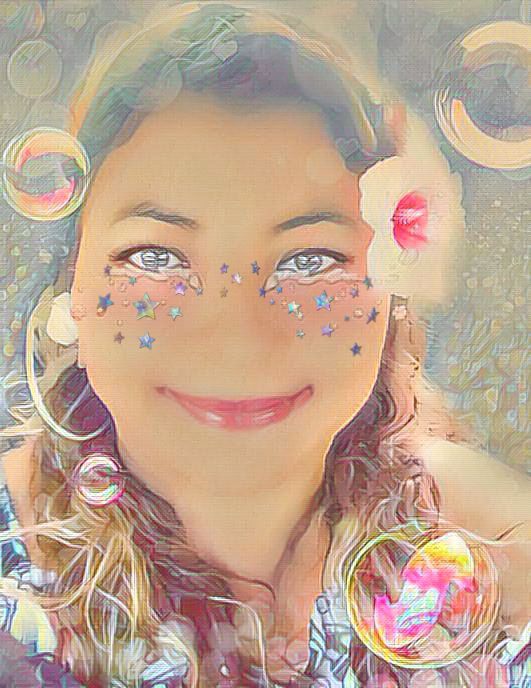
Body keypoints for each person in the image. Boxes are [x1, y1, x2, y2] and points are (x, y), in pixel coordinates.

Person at [0, 2, 528, 686]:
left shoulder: (486, 545)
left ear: (389, 290)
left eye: (308, 261)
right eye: (156, 257)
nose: (236, 344)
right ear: (72, 279)